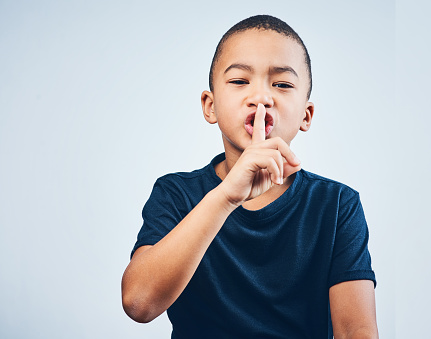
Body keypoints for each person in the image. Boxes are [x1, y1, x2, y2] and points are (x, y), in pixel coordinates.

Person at [122, 14, 378, 338]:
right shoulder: (175, 194)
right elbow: (139, 303)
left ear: (306, 115)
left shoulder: (338, 204)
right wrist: (227, 196)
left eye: (282, 84)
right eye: (240, 81)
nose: (261, 97)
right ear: (210, 106)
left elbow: (356, 331)